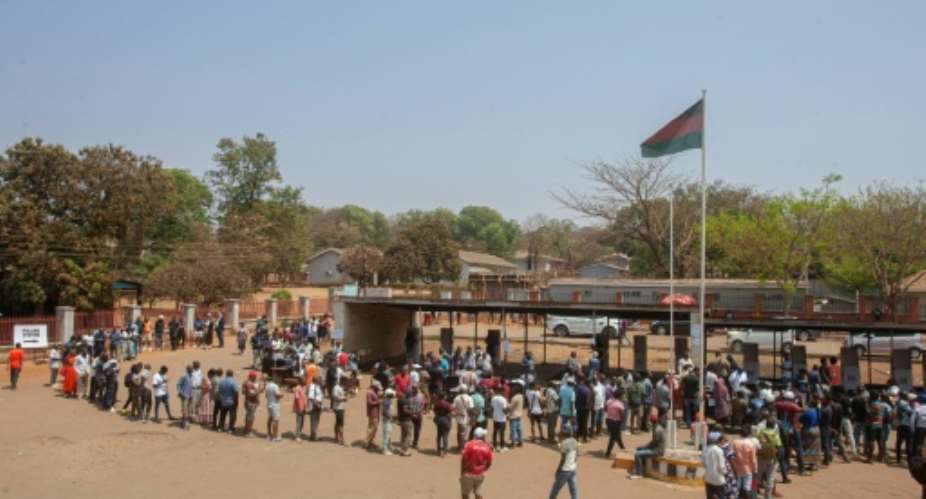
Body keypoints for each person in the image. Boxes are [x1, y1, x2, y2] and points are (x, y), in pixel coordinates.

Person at [460, 427, 493, 499]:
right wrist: (484, 469)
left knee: (465, 494)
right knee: (478, 493)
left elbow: (463, 460)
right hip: (480, 474)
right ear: (482, 437)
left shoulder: (468, 445)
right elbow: (489, 462)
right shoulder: (487, 447)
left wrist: (462, 472)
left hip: (468, 473)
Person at [756, 412, 782, 499]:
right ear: (774, 425)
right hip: (772, 459)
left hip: (761, 458)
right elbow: (778, 446)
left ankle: (753, 494)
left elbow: (756, 444)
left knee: (756, 477)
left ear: (766, 424)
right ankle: (768, 496)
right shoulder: (775, 434)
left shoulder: (760, 433)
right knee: (770, 478)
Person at [548, 426, 579, 499]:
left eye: (560, 433)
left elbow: (563, 459)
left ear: (564, 434)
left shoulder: (563, 444)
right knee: (573, 489)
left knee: (555, 488)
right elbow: (577, 453)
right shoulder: (574, 440)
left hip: (565, 470)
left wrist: (558, 470)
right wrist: (574, 461)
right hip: (573, 469)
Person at [732, 425, 759, 499]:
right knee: (747, 488)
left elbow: (732, 457)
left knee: (737, 488)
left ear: (740, 433)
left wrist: (734, 467)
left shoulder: (734, 442)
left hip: (737, 468)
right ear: (748, 434)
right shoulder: (751, 444)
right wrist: (755, 470)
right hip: (748, 469)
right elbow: (753, 459)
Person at [703, 432, 728, 499]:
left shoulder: (705, 449)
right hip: (718, 479)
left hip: (708, 478)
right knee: (721, 496)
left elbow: (704, 463)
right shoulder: (719, 450)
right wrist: (725, 473)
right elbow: (721, 467)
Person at [605, 389, 626, 458]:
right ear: (620, 396)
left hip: (609, 420)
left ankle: (622, 447)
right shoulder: (620, 404)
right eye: (623, 395)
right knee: (613, 438)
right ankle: (607, 453)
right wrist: (623, 421)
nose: (623, 397)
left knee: (617, 435)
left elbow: (605, 409)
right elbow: (622, 414)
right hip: (616, 422)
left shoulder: (609, 401)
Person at [453, 386, 474, 452]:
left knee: (459, 433)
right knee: (464, 434)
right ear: (466, 390)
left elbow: (453, 407)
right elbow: (471, 408)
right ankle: (462, 448)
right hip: (466, 418)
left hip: (459, 417)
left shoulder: (456, 398)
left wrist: (458, 412)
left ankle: (459, 446)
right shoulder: (469, 398)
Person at [241, 371, 262, 437]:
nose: (256, 378)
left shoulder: (245, 382)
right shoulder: (250, 384)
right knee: (251, 417)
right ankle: (248, 432)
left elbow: (243, 392)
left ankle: (246, 429)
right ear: (252, 376)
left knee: (248, 416)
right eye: (255, 376)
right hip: (251, 402)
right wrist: (258, 391)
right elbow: (251, 394)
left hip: (247, 401)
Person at [434, 392, 454, 457]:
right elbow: (451, 412)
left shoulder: (436, 403)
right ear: (444, 397)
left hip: (438, 420)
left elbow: (435, 411)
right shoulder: (447, 404)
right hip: (445, 420)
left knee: (439, 435)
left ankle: (438, 450)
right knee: (445, 436)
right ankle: (444, 451)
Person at [365, 380, 383, 450]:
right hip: (372, 413)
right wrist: (378, 402)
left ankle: (371, 441)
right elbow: (369, 403)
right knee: (372, 428)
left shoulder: (375, 392)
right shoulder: (369, 392)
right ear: (374, 386)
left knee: (375, 427)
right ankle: (367, 442)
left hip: (376, 412)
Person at [265, 375, 283, 442]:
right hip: (275, 405)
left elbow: (266, 395)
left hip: (269, 404)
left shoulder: (267, 385)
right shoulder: (275, 386)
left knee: (270, 419)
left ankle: (269, 434)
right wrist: (281, 395)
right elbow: (277, 395)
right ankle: (275, 436)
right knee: (275, 420)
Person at [176, 365, 194, 430]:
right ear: (187, 369)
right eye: (191, 369)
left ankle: (183, 422)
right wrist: (180, 392)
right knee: (184, 409)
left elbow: (191, 386)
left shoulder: (191, 376)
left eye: (192, 369)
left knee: (188, 409)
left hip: (190, 395)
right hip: (184, 395)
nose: (192, 370)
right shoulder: (184, 376)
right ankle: (185, 423)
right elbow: (178, 384)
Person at [307, 375, 324, 441]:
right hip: (314, 406)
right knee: (314, 421)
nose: (320, 380)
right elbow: (311, 397)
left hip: (318, 405)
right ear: (315, 380)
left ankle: (313, 435)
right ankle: (313, 436)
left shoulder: (318, 386)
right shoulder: (312, 386)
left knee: (316, 421)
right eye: (319, 379)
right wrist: (317, 404)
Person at [332, 378, 348, 446]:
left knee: (337, 423)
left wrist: (345, 396)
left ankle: (336, 437)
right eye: (344, 381)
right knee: (340, 424)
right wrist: (343, 399)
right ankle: (341, 439)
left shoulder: (341, 387)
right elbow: (335, 398)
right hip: (338, 408)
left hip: (341, 407)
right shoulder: (336, 388)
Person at [293, 377, 308, 441]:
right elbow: (296, 398)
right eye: (303, 380)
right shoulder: (297, 388)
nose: (305, 382)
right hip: (299, 407)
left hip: (304, 407)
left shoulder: (304, 387)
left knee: (302, 421)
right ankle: (297, 436)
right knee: (299, 421)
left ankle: (299, 433)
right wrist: (299, 408)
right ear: (300, 381)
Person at [382, 387, 397, 455]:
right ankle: (385, 449)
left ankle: (388, 446)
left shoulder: (388, 400)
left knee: (388, 434)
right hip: (387, 420)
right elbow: (384, 412)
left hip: (389, 420)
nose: (393, 395)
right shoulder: (386, 401)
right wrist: (391, 417)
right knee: (386, 435)